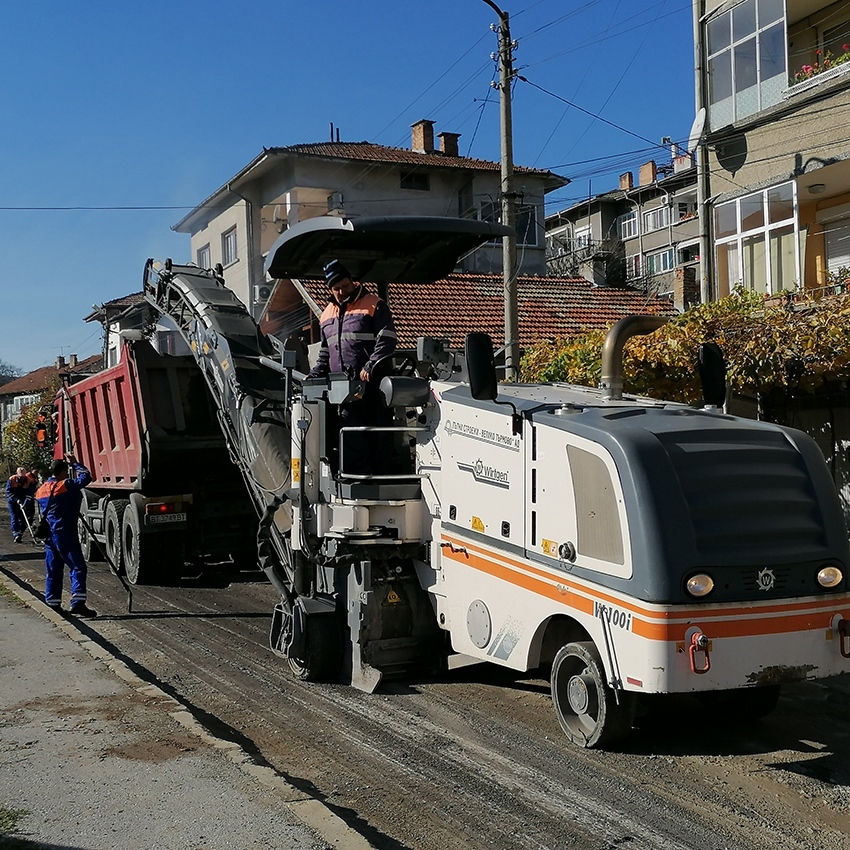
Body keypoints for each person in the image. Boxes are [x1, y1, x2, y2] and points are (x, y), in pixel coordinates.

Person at [307, 259, 398, 475]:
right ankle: (358, 478)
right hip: (343, 389)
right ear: (330, 289)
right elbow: (325, 351)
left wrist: (371, 364)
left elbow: (387, 338)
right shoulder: (326, 314)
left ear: (353, 282)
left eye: (345, 286)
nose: (341, 291)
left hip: (373, 385)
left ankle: (383, 478)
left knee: (379, 432)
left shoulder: (373, 304)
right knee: (350, 433)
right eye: (336, 288)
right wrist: (314, 375)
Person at [35, 455, 97, 617]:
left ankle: (53, 603)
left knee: (53, 570)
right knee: (78, 567)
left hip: (49, 536)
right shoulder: (65, 485)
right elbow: (86, 477)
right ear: (63, 472)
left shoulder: (40, 490)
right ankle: (77, 603)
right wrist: (75, 463)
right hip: (65, 533)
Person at [6, 466, 37, 543]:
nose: (21, 478)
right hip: (13, 502)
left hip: (23, 501)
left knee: (24, 519)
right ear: (17, 474)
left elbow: (30, 494)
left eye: (23, 477)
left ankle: (20, 533)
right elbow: (8, 492)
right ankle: (15, 534)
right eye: (20, 477)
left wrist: (25, 503)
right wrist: (16, 500)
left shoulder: (29, 482)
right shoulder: (12, 480)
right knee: (15, 517)